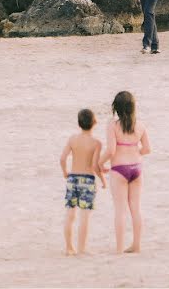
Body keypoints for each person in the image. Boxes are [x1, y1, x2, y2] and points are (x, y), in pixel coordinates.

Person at [98, 91, 151, 253]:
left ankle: (119, 249)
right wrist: (135, 153)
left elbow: (111, 151)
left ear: (117, 108)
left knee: (120, 210)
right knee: (136, 208)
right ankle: (136, 245)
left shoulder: (112, 126)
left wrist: (99, 163)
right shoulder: (140, 125)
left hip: (119, 170)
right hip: (137, 169)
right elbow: (148, 149)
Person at [59, 108, 107, 256]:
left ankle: (69, 248)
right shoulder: (96, 143)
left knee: (70, 214)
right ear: (95, 122)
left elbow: (62, 158)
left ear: (79, 123)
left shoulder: (72, 139)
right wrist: (103, 179)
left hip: (73, 178)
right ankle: (82, 248)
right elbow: (94, 166)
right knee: (84, 216)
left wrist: (65, 172)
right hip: (87, 180)